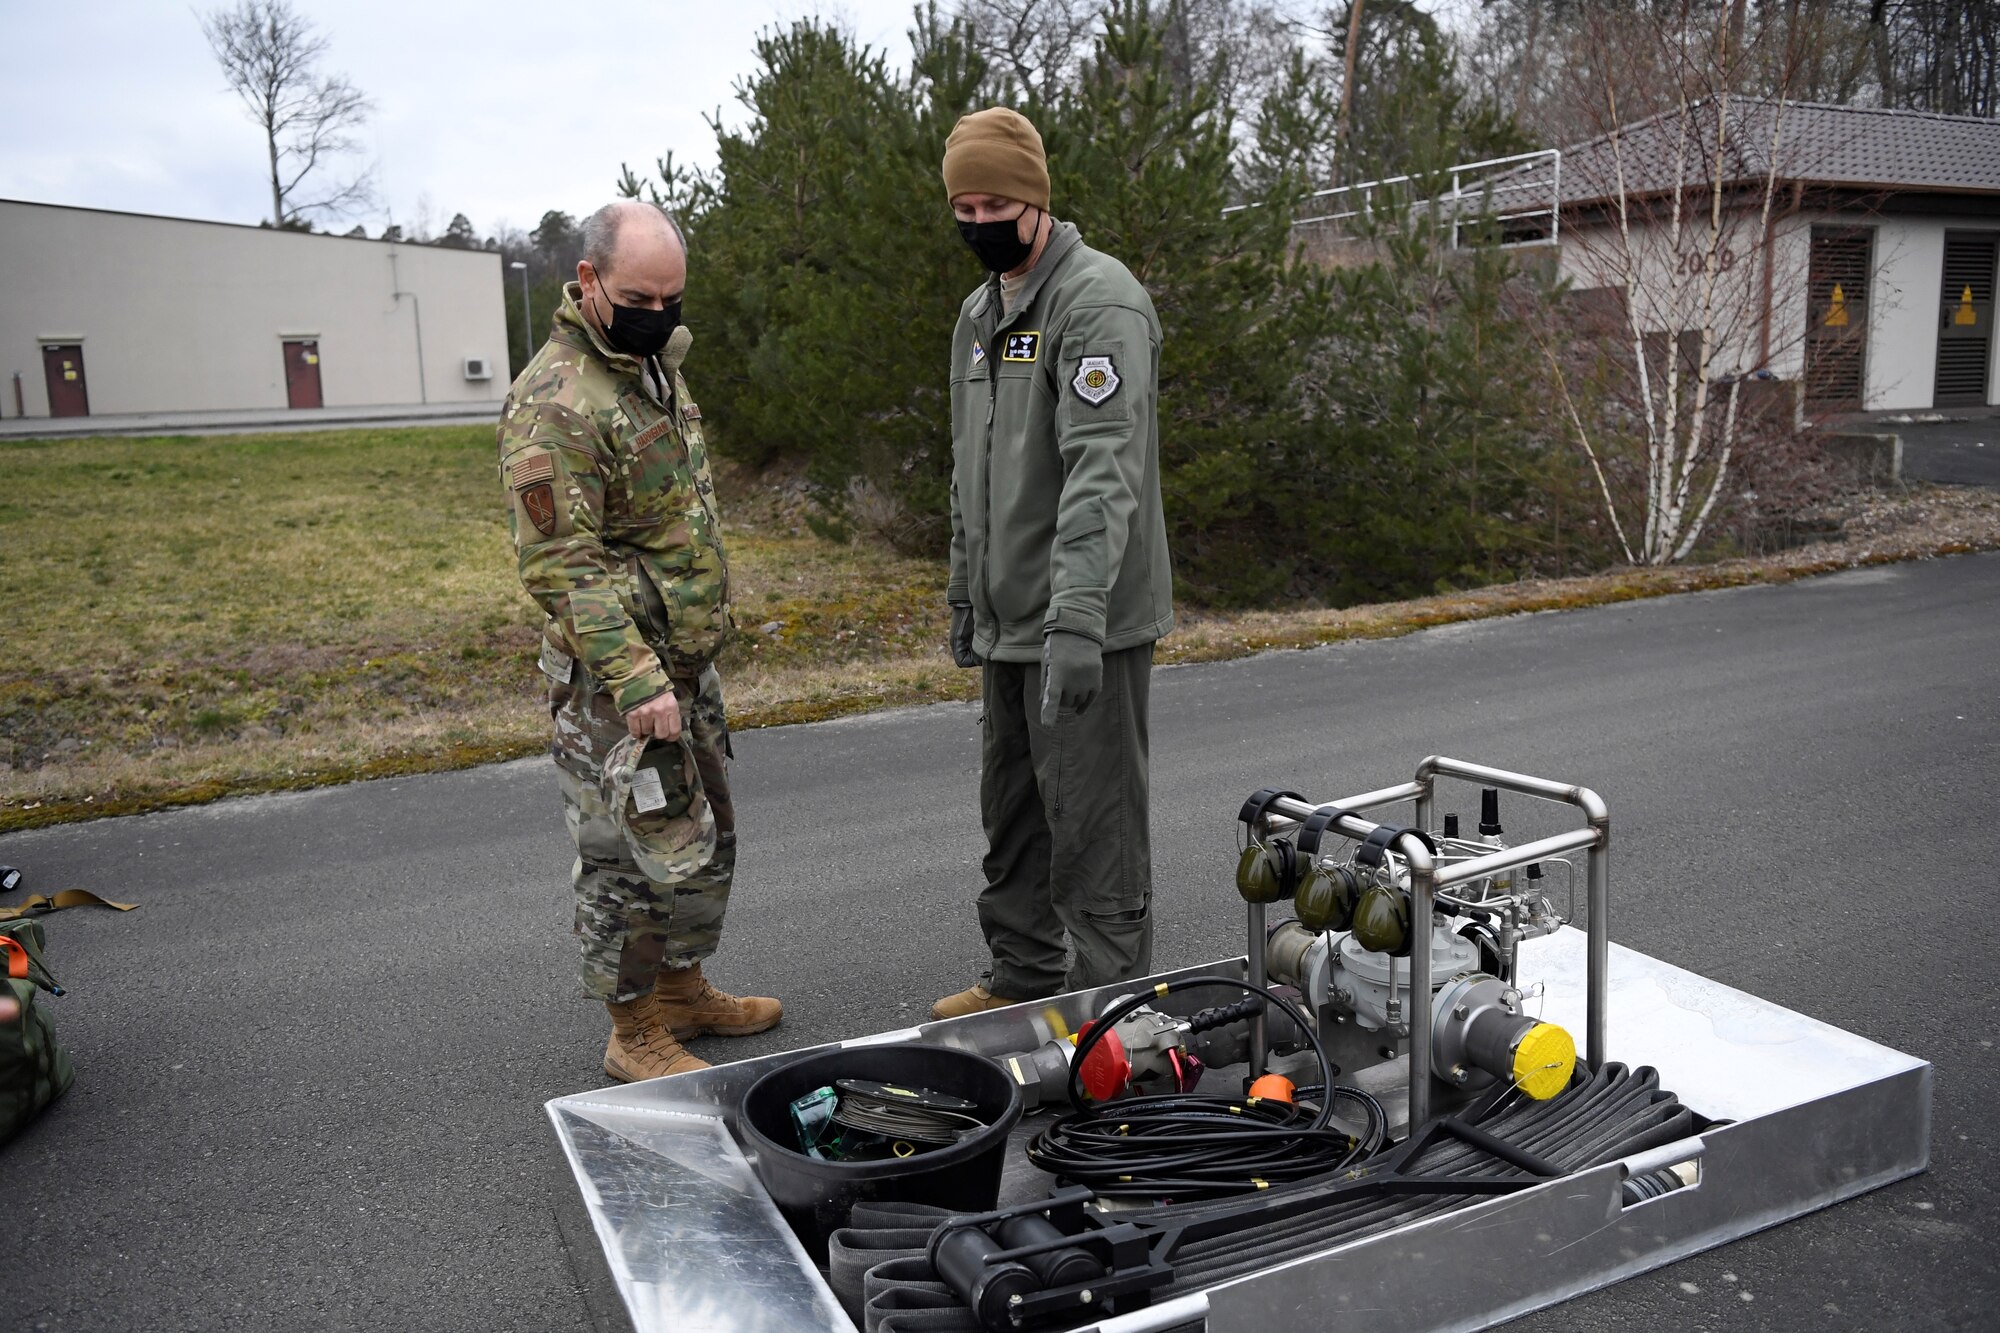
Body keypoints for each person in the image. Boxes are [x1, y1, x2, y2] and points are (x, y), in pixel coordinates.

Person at [497, 200, 780, 1081]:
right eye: (638, 295)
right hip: (617, 682)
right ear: (586, 281)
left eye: (673, 297)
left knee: (700, 833)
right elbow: (560, 563)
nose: (659, 312)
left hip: (682, 662)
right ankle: (633, 1030)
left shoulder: (649, 366)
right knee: (627, 852)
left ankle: (684, 988)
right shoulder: (556, 401)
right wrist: (635, 678)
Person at [932, 108, 1176, 1020]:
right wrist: (966, 592)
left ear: (1035, 199)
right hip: (1007, 620)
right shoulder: (979, 314)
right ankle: (1023, 976)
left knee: (1094, 825)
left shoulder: (1097, 301)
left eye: (995, 201)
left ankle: (1113, 1012)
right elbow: (969, 471)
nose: (978, 221)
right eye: (963, 204)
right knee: (1016, 813)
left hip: (1087, 621)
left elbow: (1099, 475)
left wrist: (1074, 621)